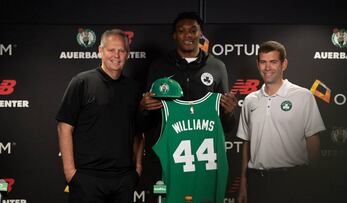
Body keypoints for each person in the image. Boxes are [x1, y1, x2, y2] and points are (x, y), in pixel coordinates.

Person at [139, 11, 237, 202]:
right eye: (182, 31)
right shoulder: (159, 67)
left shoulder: (217, 67)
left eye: (193, 30)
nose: (188, 35)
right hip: (166, 162)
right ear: (174, 35)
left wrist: (228, 112)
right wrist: (143, 108)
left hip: (203, 165)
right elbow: (144, 123)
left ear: (201, 34)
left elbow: (227, 126)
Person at [56, 29, 144, 203]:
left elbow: (138, 132)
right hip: (87, 178)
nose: (116, 55)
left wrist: (138, 168)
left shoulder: (133, 88)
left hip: (123, 179)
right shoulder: (82, 82)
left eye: (121, 51)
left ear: (127, 54)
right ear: (100, 51)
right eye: (111, 50)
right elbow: (64, 127)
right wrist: (70, 173)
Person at [237, 41, 326, 203]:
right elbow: (247, 144)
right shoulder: (250, 100)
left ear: (284, 64)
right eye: (263, 62)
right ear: (258, 64)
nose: (267, 67)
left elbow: (313, 140)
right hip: (257, 181)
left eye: (273, 62)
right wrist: (243, 184)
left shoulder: (303, 96)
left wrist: (312, 181)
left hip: (292, 181)